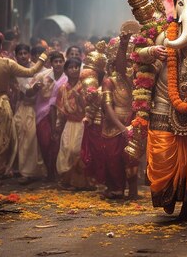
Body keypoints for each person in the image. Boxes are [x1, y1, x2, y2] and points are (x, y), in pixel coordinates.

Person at [0, 34, 47, 187]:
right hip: (2, 105)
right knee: (3, 141)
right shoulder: (7, 63)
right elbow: (31, 71)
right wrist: (44, 56)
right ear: (0, 47)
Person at [86, 33, 136, 199]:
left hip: (131, 121)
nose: (128, 65)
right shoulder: (110, 81)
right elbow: (107, 107)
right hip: (113, 124)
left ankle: (133, 190)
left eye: (130, 62)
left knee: (131, 157)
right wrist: (122, 128)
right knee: (112, 158)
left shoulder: (132, 80)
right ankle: (116, 188)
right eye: (125, 62)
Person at [12, 44, 46, 184]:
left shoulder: (38, 70)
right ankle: (24, 171)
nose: (23, 56)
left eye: (25, 53)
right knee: (22, 139)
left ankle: (33, 170)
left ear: (30, 55)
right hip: (24, 108)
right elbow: (26, 91)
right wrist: (35, 89)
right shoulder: (15, 72)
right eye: (20, 53)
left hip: (39, 107)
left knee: (33, 140)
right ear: (16, 55)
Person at [30, 51, 66, 180]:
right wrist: (35, 88)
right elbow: (30, 91)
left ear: (63, 62)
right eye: (55, 62)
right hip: (43, 113)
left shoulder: (68, 77)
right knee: (45, 142)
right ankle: (49, 170)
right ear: (51, 63)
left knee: (58, 142)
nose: (58, 64)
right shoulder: (42, 76)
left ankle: (57, 171)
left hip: (62, 114)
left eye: (60, 61)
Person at [55, 58, 88, 189]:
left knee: (77, 150)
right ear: (65, 70)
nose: (74, 70)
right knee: (66, 149)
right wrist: (58, 127)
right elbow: (61, 111)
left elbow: (88, 107)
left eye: (76, 67)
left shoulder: (84, 86)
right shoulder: (62, 88)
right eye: (71, 67)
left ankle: (78, 181)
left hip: (81, 123)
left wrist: (79, 98)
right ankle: (66, 179)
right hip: (69, 124)